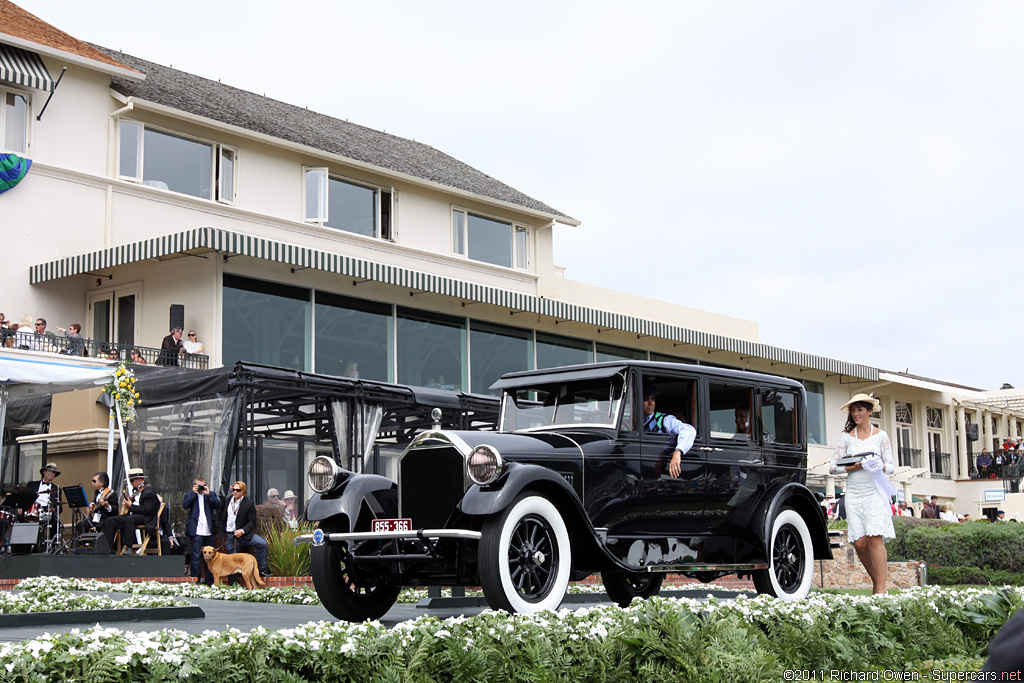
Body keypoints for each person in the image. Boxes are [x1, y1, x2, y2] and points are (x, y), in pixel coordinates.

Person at [829, 393, 896, 595]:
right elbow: (833, 467)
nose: (856, 413)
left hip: (874, 491)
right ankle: (878, 583)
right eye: (853, 410)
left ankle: (879, 589)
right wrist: (853, 466)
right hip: (855, 493)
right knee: (859, 542)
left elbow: (892, 466)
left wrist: (880, 466)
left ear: (869, 411)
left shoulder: (881, 436)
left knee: (875, 537)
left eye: (860, 409)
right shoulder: (847, 438)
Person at [642, 383, 697, 479]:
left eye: (653, 399)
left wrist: (678, 452)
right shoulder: (631, 421)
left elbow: (688, 430)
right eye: (646, 399)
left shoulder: (664, 419)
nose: (651, 403)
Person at [103, 468, 160, 554]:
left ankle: (129, 547)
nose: (130, 483)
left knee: (130, 519)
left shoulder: (149, 492)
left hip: (147, 518)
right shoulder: (137, 491)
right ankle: (109, 548)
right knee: (110, 520)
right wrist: (127, 506)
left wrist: (131, 506)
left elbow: (146, 510)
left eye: (132, 480)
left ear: (140, 479)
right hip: (135, 515)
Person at [223, 481, 270, 577]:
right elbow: (222, 516)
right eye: (234, 490)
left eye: (238, 490)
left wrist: (242, 530)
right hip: (230, 535)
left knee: (262, 544)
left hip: (244, 535)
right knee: (232, 561)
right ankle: (233, 586)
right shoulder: (228, 500)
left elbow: (252, 521)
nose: (235, 492)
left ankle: (261, 570)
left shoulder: (248, 503)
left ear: (243, 491)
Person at [183, 477, 222, 585]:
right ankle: (196, 580)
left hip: (209, 531)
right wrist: (193, 493)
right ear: (194, 486)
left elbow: (218, 505)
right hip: (196, 532)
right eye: (199, 485)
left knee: (211, 557)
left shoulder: (211, 494)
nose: (201, 488)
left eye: (203, 485)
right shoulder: (190, 495)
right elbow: (185, 505)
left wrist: (208, 494)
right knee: (196, 556)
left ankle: (210, 581)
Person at [78, 471, 118, 536]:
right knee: (81, 525)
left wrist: (107, 506)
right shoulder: (97, 492)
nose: (92, 483)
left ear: (102, 483)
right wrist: (91, 504)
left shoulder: (111, 494)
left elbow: (115, 509)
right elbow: (95, 501)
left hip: (105, 518)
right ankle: (84, 543)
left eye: (94, 481)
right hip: (96, 519)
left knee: (99, 527)